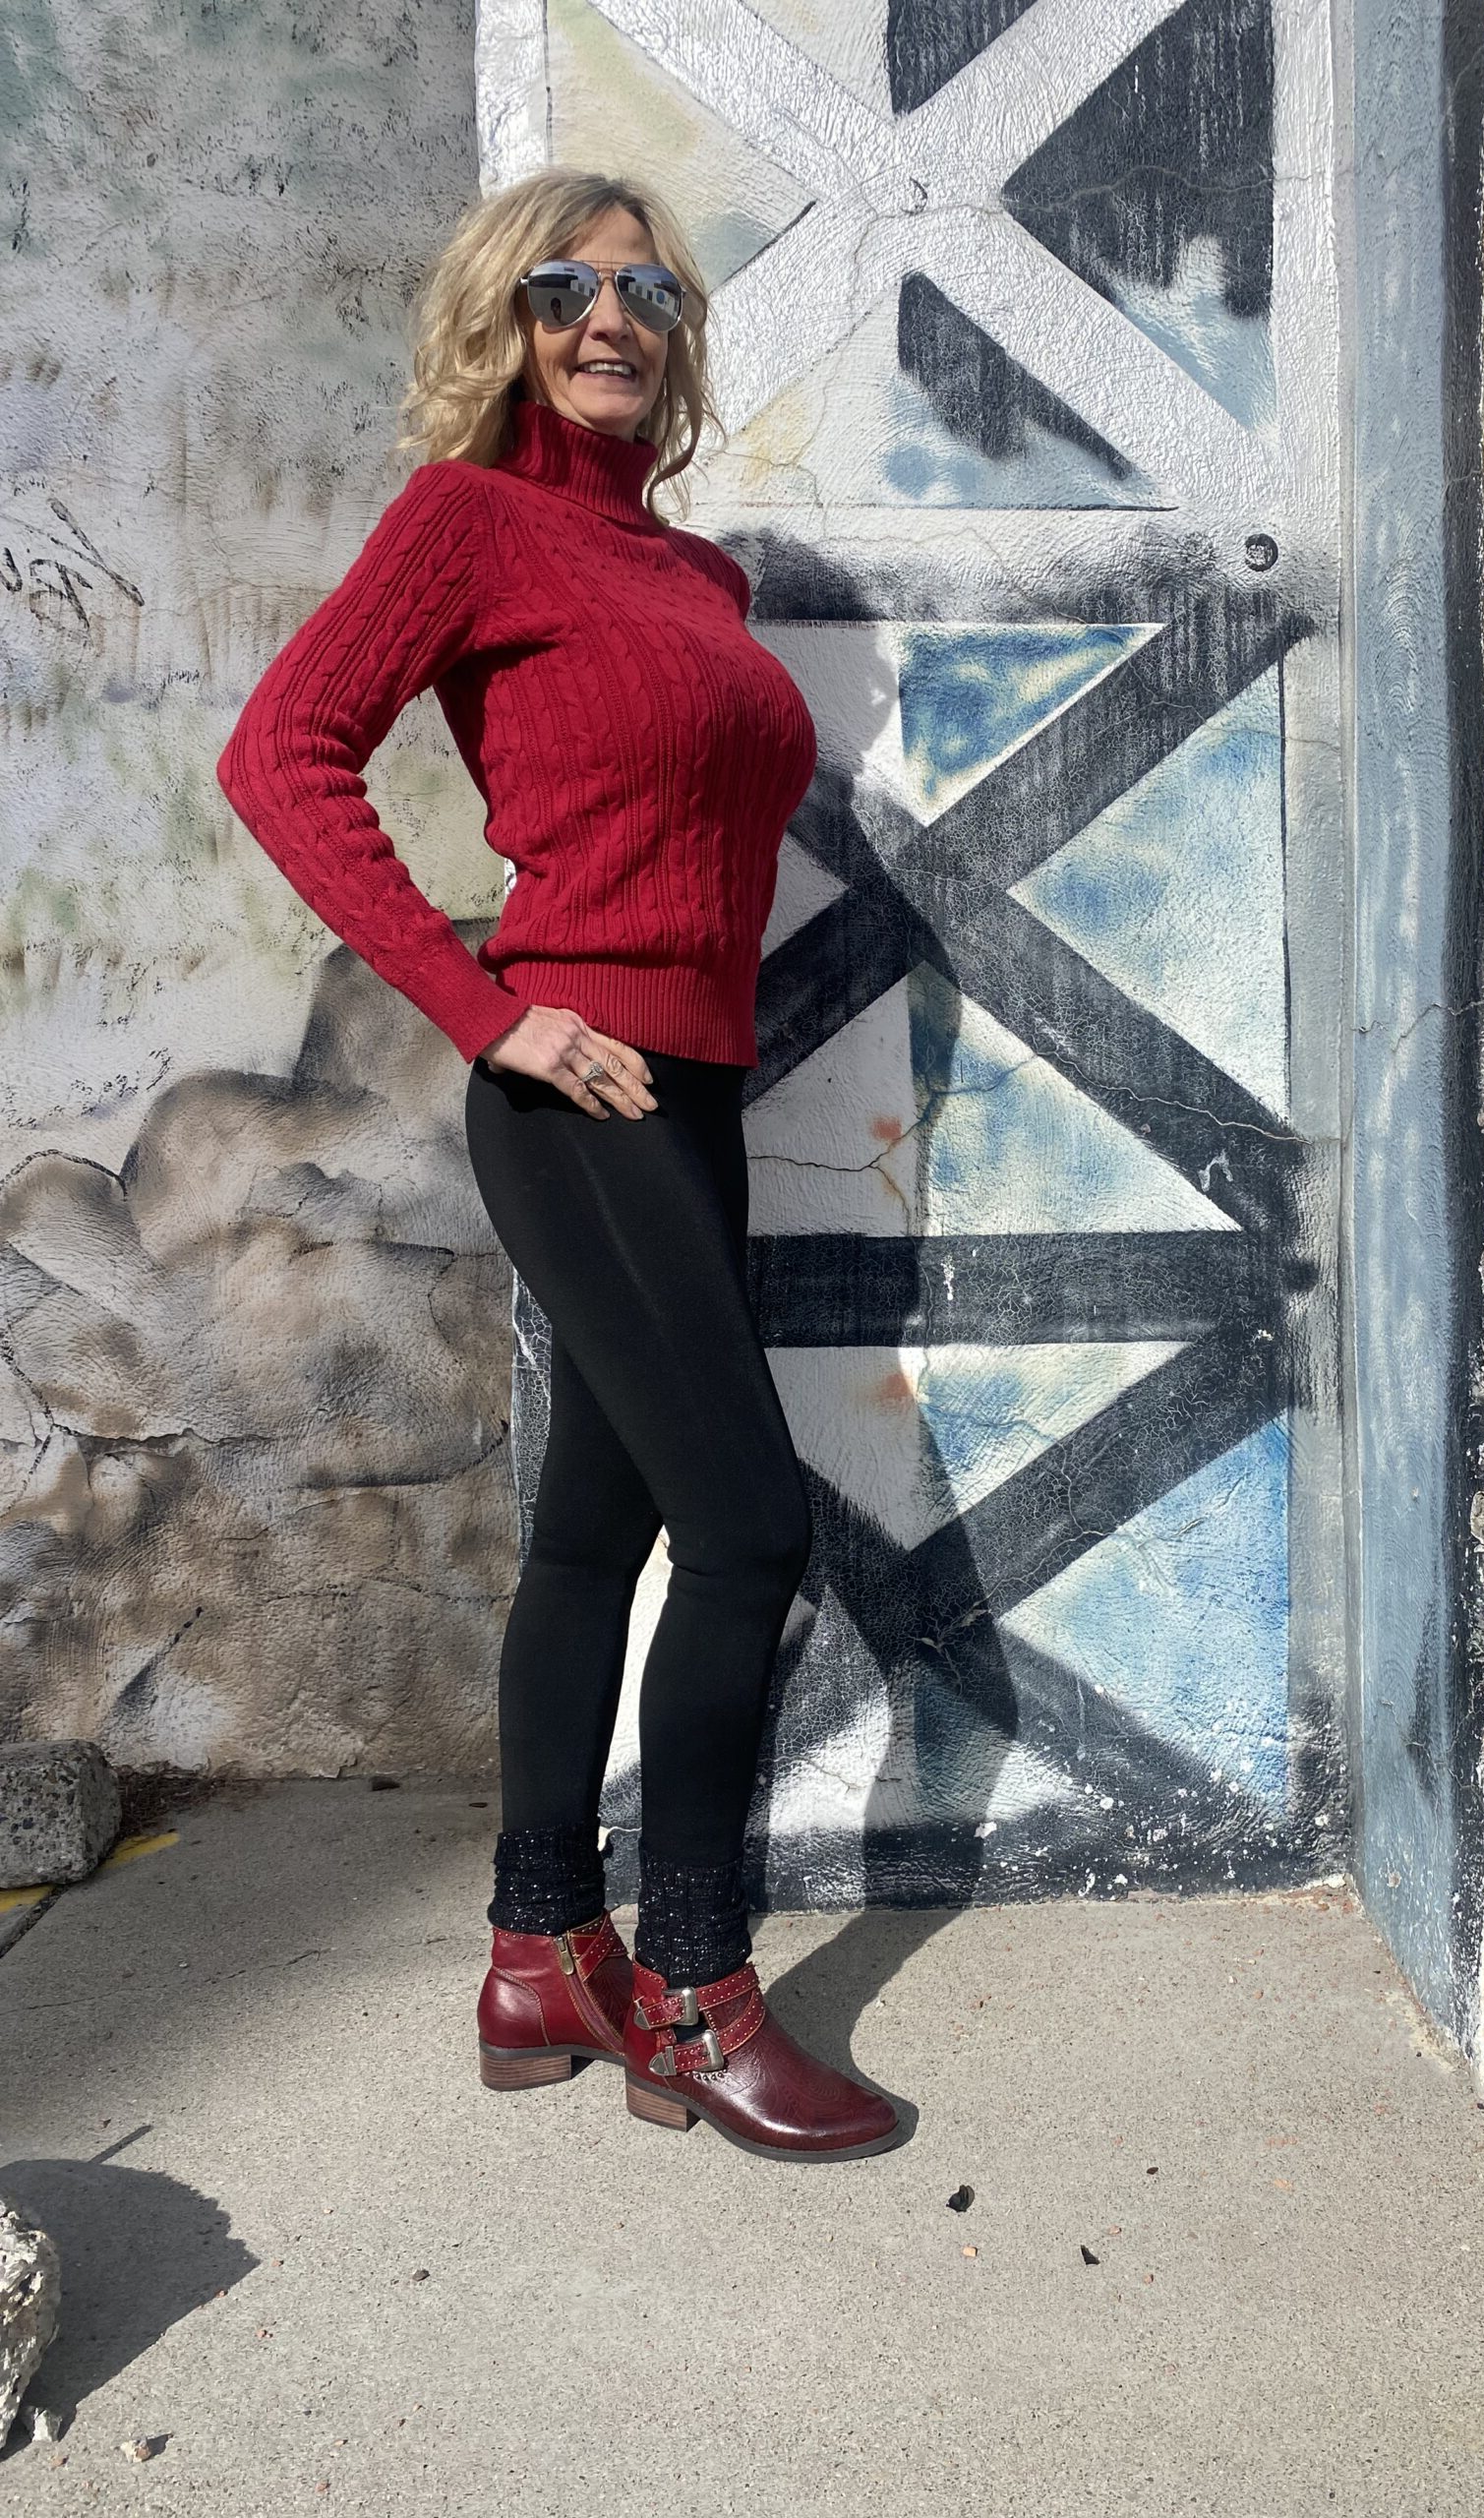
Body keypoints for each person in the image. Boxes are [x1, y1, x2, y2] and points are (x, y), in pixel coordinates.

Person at [216, 165, 901, 2162]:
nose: (611, 316)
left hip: (688, 1093)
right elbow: (285, 751)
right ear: (503, 323)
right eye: (563, 286)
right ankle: (692, 1984)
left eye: (646, 287)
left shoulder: (698, 580)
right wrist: (483, 1003)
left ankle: (538, 1946)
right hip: (570, 1089)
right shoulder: (466, 522)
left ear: (680, 331)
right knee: (755, 1530)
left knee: (599, 1533)